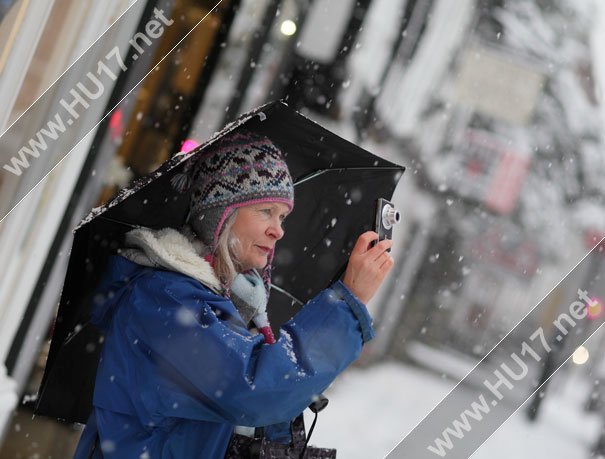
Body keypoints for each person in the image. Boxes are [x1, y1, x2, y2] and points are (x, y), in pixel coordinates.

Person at [72, 130, 394, 458]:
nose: (278, 229)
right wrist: (345, 302)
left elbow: (251, 410)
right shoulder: (164, 299)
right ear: (220, 213)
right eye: (265, 211)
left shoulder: (225, 307)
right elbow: (254, 392)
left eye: (282, 216)